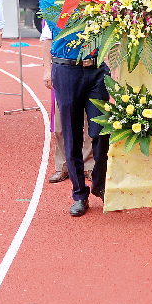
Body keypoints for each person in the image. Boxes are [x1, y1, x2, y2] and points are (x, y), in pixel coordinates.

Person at [40, 0, 109, 216]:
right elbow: (67, 22)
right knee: (71, 134)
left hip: (95, 68)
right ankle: (79, 194)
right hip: (66, 69)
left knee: (102, 130)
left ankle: (99, 182)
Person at [40, 19, 95, 184]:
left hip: (90, 70)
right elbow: (47, 40)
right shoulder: (54, 6)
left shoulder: (92, 3)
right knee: (61, 124)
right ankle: (63, 165)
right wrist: (47, 70)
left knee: (91, 122)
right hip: (64, 70)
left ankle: (89, 165)